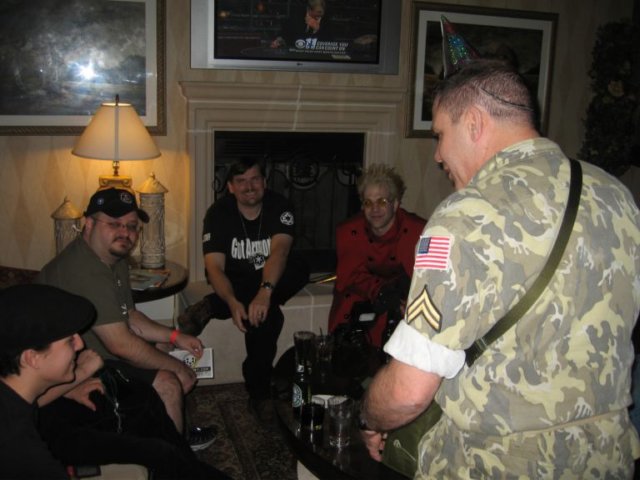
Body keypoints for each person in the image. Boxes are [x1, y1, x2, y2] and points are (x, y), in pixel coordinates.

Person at [360, 60, 640, 478]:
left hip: (498, 464)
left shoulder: (465, 214)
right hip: (605, 459)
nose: (437, 155)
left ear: (474, 123)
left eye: (440, 135)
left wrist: (369, 415)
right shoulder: (615, 196)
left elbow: (408, 391)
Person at [37, 187, 215, 449]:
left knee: (164, 347)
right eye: (114, 224)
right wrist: (177, 369)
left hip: (97, 350)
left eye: (132, 226)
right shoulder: (85, 270)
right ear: (88, 224)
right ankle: (174, 457)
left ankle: (164, 434)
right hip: (72, 363)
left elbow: (129, 315)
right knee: (168, 382)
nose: (125, 232)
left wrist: (175, 336)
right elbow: (120, 345)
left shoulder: (113, 258)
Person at [178, 157, 309, 423]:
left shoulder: (280, 206)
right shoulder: (218, 213)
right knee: (269, 318)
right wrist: (231, 301)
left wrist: (264, 292)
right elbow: (214, 267)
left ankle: (211, 306)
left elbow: (280, 252)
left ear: (264, 181)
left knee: (299, 267)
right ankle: (259, 394)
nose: (249, 187)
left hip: (272, 276)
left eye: (255, 179)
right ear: (230, 186)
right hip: (234, 278)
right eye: (241, 181)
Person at [0, 284, 96, 479]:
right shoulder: (22, 451)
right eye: (70, 341)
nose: (80, 344)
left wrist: (68, 389)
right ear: (32, 358)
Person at [328, 164, 426, 347]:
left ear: (395, 204)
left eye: (382, 202)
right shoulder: (349, 231)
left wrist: (407, 301)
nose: (374, 209)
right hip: (363, 296)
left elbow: (426, 279)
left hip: (402, 297)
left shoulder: (417, 231)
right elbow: (349, 277)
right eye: (368, 203)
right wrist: (380, 290)